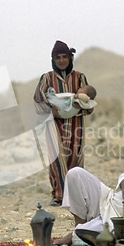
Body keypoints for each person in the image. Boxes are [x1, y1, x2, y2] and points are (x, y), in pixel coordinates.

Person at [33, 40, 94, 206]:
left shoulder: (80, 77)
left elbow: (88, 101)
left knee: (75, 157)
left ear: (70, 58)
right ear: (53, 59)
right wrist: (52, 110)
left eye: (64, 57)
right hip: (53, 124)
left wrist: (78, 106)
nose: (61, 60)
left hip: (76, 125)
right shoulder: (47, 78)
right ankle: (59, 195)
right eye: (58, 57)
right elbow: (38, 98)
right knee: (57, 158)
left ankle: (75, 195)